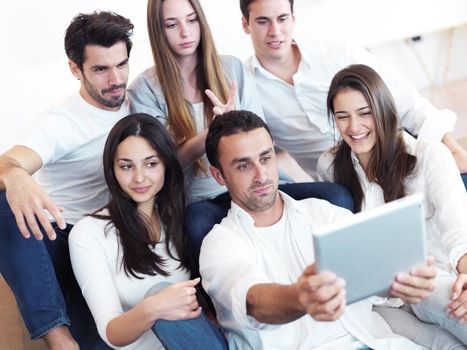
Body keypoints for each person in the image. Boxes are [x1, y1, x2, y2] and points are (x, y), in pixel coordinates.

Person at [128, 0, 354, 275]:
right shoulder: (145, 89)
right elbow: (162, 164)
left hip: (260, 184)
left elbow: (261, 138)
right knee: (197, 225)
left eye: (191, 20)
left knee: (337, 197)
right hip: (204, 201)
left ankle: (340, 275)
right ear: (158, 30)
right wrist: (214, 131)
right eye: (172, 25)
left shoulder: (231, 69)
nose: (185, 32)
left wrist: (234, 129)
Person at [200, 110, 438, 349]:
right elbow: (254, 302)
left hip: (375, 342)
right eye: (243, 166)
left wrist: (404, 279)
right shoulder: (220, 244)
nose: (261, 175)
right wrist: (300, 297)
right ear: (219, 175)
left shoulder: (323, 213)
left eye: (265, 158)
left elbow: (372, 276)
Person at [0, 11, 133, 350]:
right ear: (76, 69)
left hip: (114, 242)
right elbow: (10, 160)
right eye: (101, 69)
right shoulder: (59, 122)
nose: (116, 79)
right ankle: (58, 338)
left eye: (121, 64)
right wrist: (15, 174)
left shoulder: (139, 101)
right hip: (62, 237)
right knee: (3, 203)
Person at [317, 64, 467, 347]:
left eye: (364, 113)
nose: (354, 127)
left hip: (432, 281)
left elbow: (459, 234)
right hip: (381, 300)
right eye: (342, 117)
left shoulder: (429, 155)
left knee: (458, 306)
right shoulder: (330, 167)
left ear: (383, 110)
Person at [240, 0, 467, 182]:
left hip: (391, 147)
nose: (275, 31)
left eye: (282, 19)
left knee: (455, 176)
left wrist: (454, 149)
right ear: (245, 25)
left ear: (293, 19)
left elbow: (406, 100)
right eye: (262, 21)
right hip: (341, 177)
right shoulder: (247, 86)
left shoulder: (335, 54)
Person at [68, 113, 227, 350]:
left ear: (166, 165)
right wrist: (153, 307)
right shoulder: (89, 234)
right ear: (112, 169)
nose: (139, 177)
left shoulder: (181, 222)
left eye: (151, 164)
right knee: (160, 292)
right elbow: (111, 332)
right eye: (126, 166)